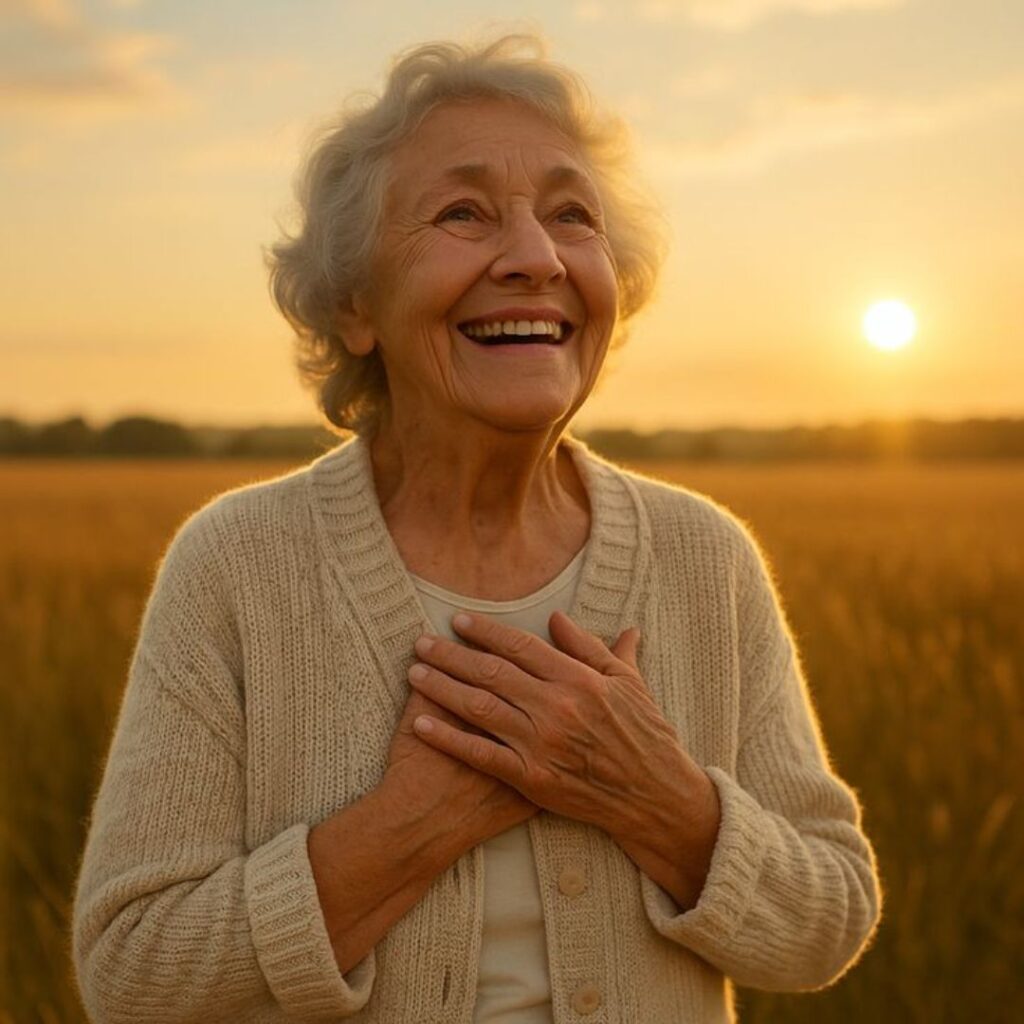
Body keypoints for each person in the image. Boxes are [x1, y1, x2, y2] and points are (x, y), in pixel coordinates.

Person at [72, 33, 882, 1024]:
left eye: (570, 216)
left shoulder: (704, 557)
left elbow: (830, 917)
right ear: (355, 303)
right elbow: (131, 972)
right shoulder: (239, 565)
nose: (536, 258)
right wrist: (406, 829)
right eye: (464, 213)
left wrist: (661, 799)